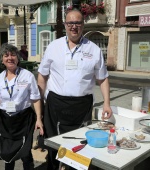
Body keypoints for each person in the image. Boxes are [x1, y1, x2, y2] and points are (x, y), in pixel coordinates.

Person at [37, 9, 112, 170]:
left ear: (83, 25)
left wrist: (107, 103)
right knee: (54, 144)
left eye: (78, 23)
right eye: (70, 23)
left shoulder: (94, 49)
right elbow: (42, 77)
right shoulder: (53, 46)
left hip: (82, 106)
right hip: (55, 104)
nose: (74, 26)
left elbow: (103, 78)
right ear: (65, 25)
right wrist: (39, 105)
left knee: (80, 146)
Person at [0, 43, 44, 170]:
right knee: (7, 152)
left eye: (13, 55)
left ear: (18, 58)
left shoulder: (27, 75)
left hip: (24, 118)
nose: (10, 58)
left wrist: (39, 118)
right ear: (2, 59)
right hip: (6, 120)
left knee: (25, 152)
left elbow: (35, 98)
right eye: (6, 55)